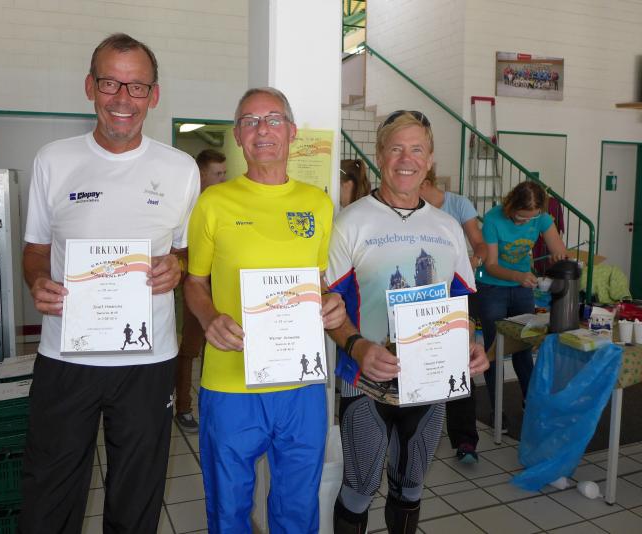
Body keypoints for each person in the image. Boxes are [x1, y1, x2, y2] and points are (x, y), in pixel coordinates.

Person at [19, 33, 200, 533]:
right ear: (89, 87)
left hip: (148, 360)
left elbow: (185, 253)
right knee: (49, 494)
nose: (123, 98)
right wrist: (37, 280)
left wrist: (177, 267)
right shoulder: (53, 160)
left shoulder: (181, 169)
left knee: (137, 497)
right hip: (65, 355)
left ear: (153, 95)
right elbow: (35, 250)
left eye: (137, 86)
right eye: (110, 83)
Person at [184, 87, 346, 533]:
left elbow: (316, 280)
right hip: (231, 382)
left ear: (291, 131)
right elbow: (194, 282)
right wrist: (209, 318)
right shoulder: (213, 203)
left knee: (298, 508)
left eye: (273, 119)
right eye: (250, 121)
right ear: (238, 136)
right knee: (229, 509)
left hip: (301, 383)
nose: (262, 130)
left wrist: (331, 302)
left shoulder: (317, 204)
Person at [325, 110, 489, 534]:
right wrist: (358, 345)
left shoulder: (448, 227)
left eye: (417, 149)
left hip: (429, 381)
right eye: (396, 148)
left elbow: (460, 302)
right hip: (366, 380)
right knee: (359, 489)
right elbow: (326, 305)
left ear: (430, 159)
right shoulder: (349, 222)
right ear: (380, 155)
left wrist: (471, 342)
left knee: (411, 489)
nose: (406, 159)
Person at [478, 180, 567, 426]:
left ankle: (531, 403)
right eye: (520, 217)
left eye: (531, 218)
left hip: (522, 288)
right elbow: (491, 265)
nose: (525, 222)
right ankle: (497, 411)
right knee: (495, 350)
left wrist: (559, 256)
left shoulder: (541, 217)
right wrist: (518, 276)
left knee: (523, 347)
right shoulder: (493, 219)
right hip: (491, 286)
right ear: (510, 206)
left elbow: (558, 248)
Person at [419, 168, 488, 463]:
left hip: (457, 294)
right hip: (424, 296)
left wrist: (473, 260)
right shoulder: (408, 210)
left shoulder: (457, 205)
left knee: (460, 361)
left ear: (425, 181)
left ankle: (465, 440)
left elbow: (480, 244)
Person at [174, 149, 227, 433]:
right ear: (202, 175)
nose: (223, 179)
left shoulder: (225, 205)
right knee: (190, 349)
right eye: (218, 174)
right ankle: (183, 407)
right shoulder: (187, 208)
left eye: (225, 173)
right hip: (195, 289)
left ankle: (212, 407)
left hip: (223, 287)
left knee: (217, 346)